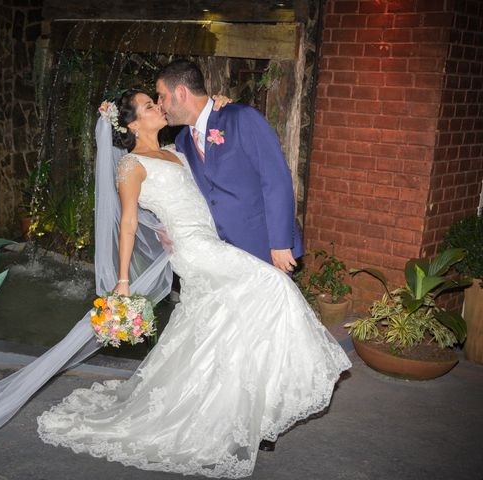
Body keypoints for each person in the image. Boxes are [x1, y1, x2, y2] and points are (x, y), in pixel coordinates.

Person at [36, 90, 351, 478]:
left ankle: (238, 405)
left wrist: (218, 105)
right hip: (195, 250)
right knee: (274, 286)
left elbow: (205, 160)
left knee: (220, 326)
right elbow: (130, 223)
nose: (158, 107)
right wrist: (122, 281)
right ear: (132, 123)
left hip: (211, 241)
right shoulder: (131, 166)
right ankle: (285, 385)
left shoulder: (177, 147)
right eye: (150, 105)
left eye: (158, 100)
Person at [155, 59, 304, 274]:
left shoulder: (242, 118)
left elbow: (276, 179)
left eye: (161, 96)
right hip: (221, 255)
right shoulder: (182, 142)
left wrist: (281, 243)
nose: (159, 104)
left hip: (264, 246)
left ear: (180, 92)